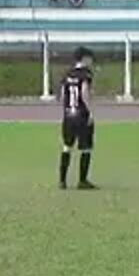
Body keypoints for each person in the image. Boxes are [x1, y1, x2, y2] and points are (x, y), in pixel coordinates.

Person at [59, 47, 97, 190]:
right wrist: (90, 111)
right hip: (81, 115)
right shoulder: (86, 74)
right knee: (86, 148)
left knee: (67, 147)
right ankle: (82, 180)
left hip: (68, 115)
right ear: (85, 58)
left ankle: (62, 181)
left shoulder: (67, 73)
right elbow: (84, 92)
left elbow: (63, 95)